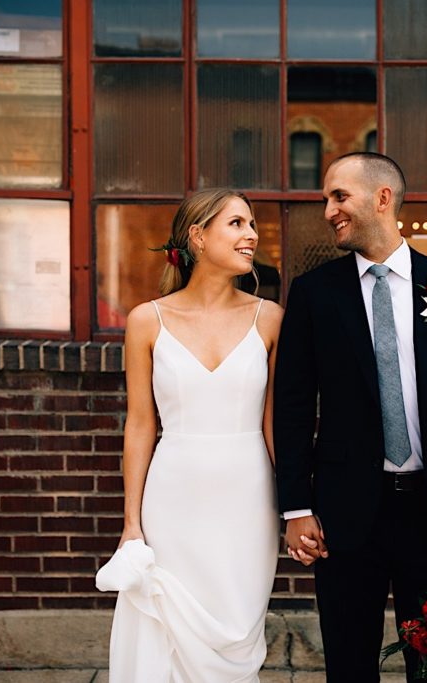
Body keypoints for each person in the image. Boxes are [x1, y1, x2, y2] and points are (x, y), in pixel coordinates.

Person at [273, 153, 427, 681]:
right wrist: (295, 507)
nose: (329, 210)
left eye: (339, 196)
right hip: (345, 513)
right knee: (349, 666)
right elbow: (290, 408)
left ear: (383, 199)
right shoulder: (314, 295)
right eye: (326, 199)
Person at [105, 189, 282, 682]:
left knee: (236, 628)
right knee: (165, 631)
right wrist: (131, 523)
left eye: (253, 224)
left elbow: (275, 426)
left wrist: (296, 506)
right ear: (198, 237)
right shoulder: (147, 320)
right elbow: (141, 425)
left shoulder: (270, 319)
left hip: (249, 499)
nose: (252, 235)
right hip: (173, 498)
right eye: (238, 224)